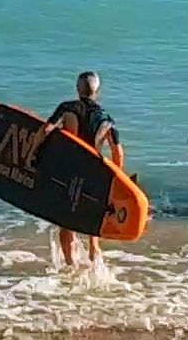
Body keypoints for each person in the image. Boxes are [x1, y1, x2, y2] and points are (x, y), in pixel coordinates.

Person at [36, 70, 124, 267]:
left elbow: (45, 130)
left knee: (67, 224)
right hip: (93, 174)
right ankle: (95, 258)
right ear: (97, 91)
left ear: (78, 89)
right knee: (92, 222)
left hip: (69, 171)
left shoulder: (67, 108)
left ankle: (71, 266)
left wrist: (34, 152)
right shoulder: (107, 119)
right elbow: (118, 152)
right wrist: (115, 180)